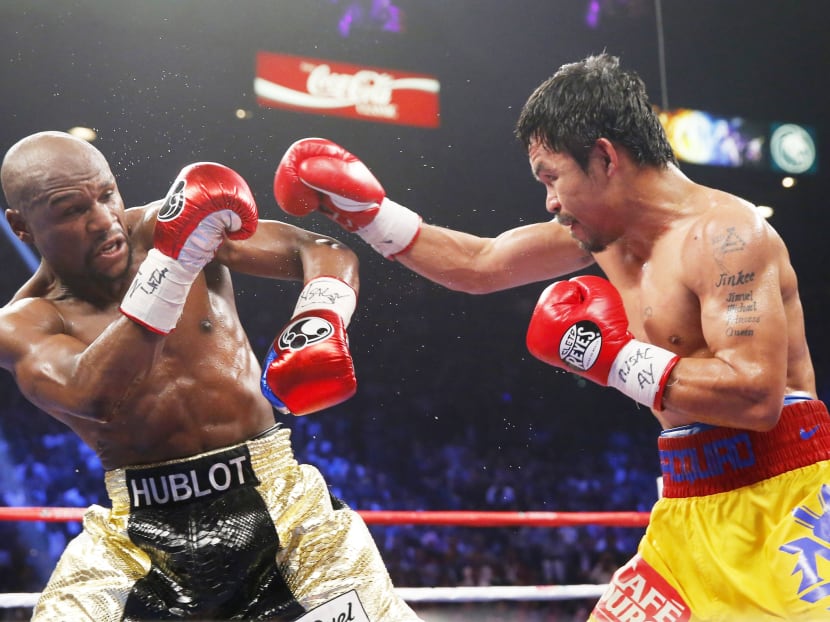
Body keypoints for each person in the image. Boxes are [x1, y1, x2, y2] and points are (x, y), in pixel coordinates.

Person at [271, 53, 830, 620]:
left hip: (783, 506)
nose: (551, 202)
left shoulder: (726, 235)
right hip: (687, 504)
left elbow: (757, 397)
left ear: (605, 158)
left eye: (552, 177)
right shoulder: (604, 236)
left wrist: (614, 359)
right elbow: (481, 264)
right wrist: (368, 214)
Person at [0, 131, 422, 622]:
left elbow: (319, 250)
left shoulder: (169, 224)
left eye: (107, 194)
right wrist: (175, 265)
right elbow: (91, 393)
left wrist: (319, 318)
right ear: (21, 226)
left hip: (282, 511)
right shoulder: (21, 323)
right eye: (70, 210)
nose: (102, 220)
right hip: (140, 538)